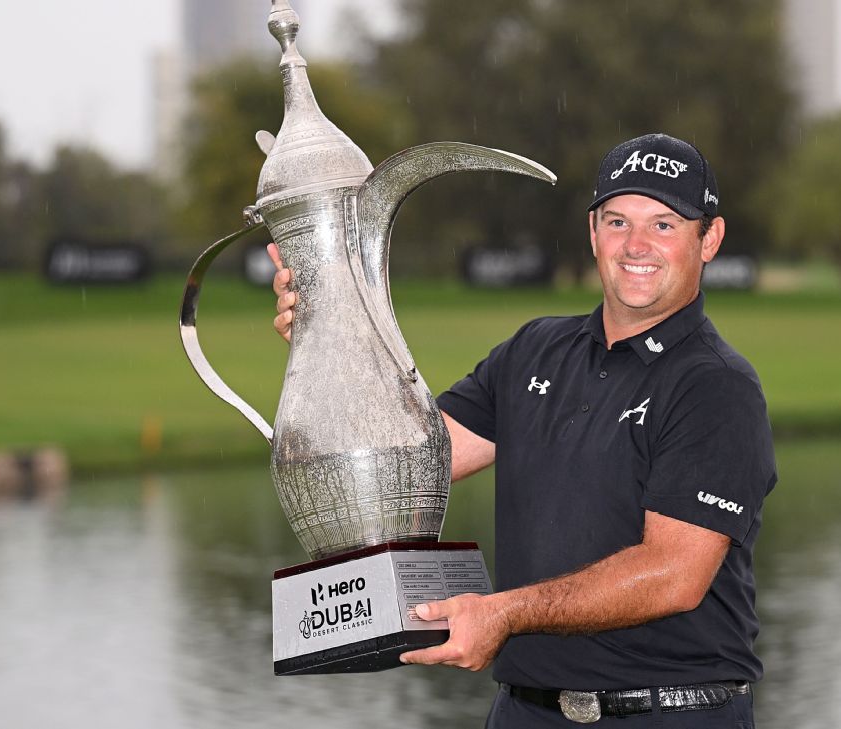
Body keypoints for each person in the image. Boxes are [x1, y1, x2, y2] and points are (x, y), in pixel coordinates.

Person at [270, 133, 776, 727]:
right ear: (593, 232)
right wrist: (331, 334)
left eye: (663, 225)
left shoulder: (716, 386)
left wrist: (504, 613)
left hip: (668, 712)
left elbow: (675, 575)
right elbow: (402, 466)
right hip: (524, 710)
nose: (636, 245)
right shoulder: (534, 350)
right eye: (618, 221)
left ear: (708, 239)